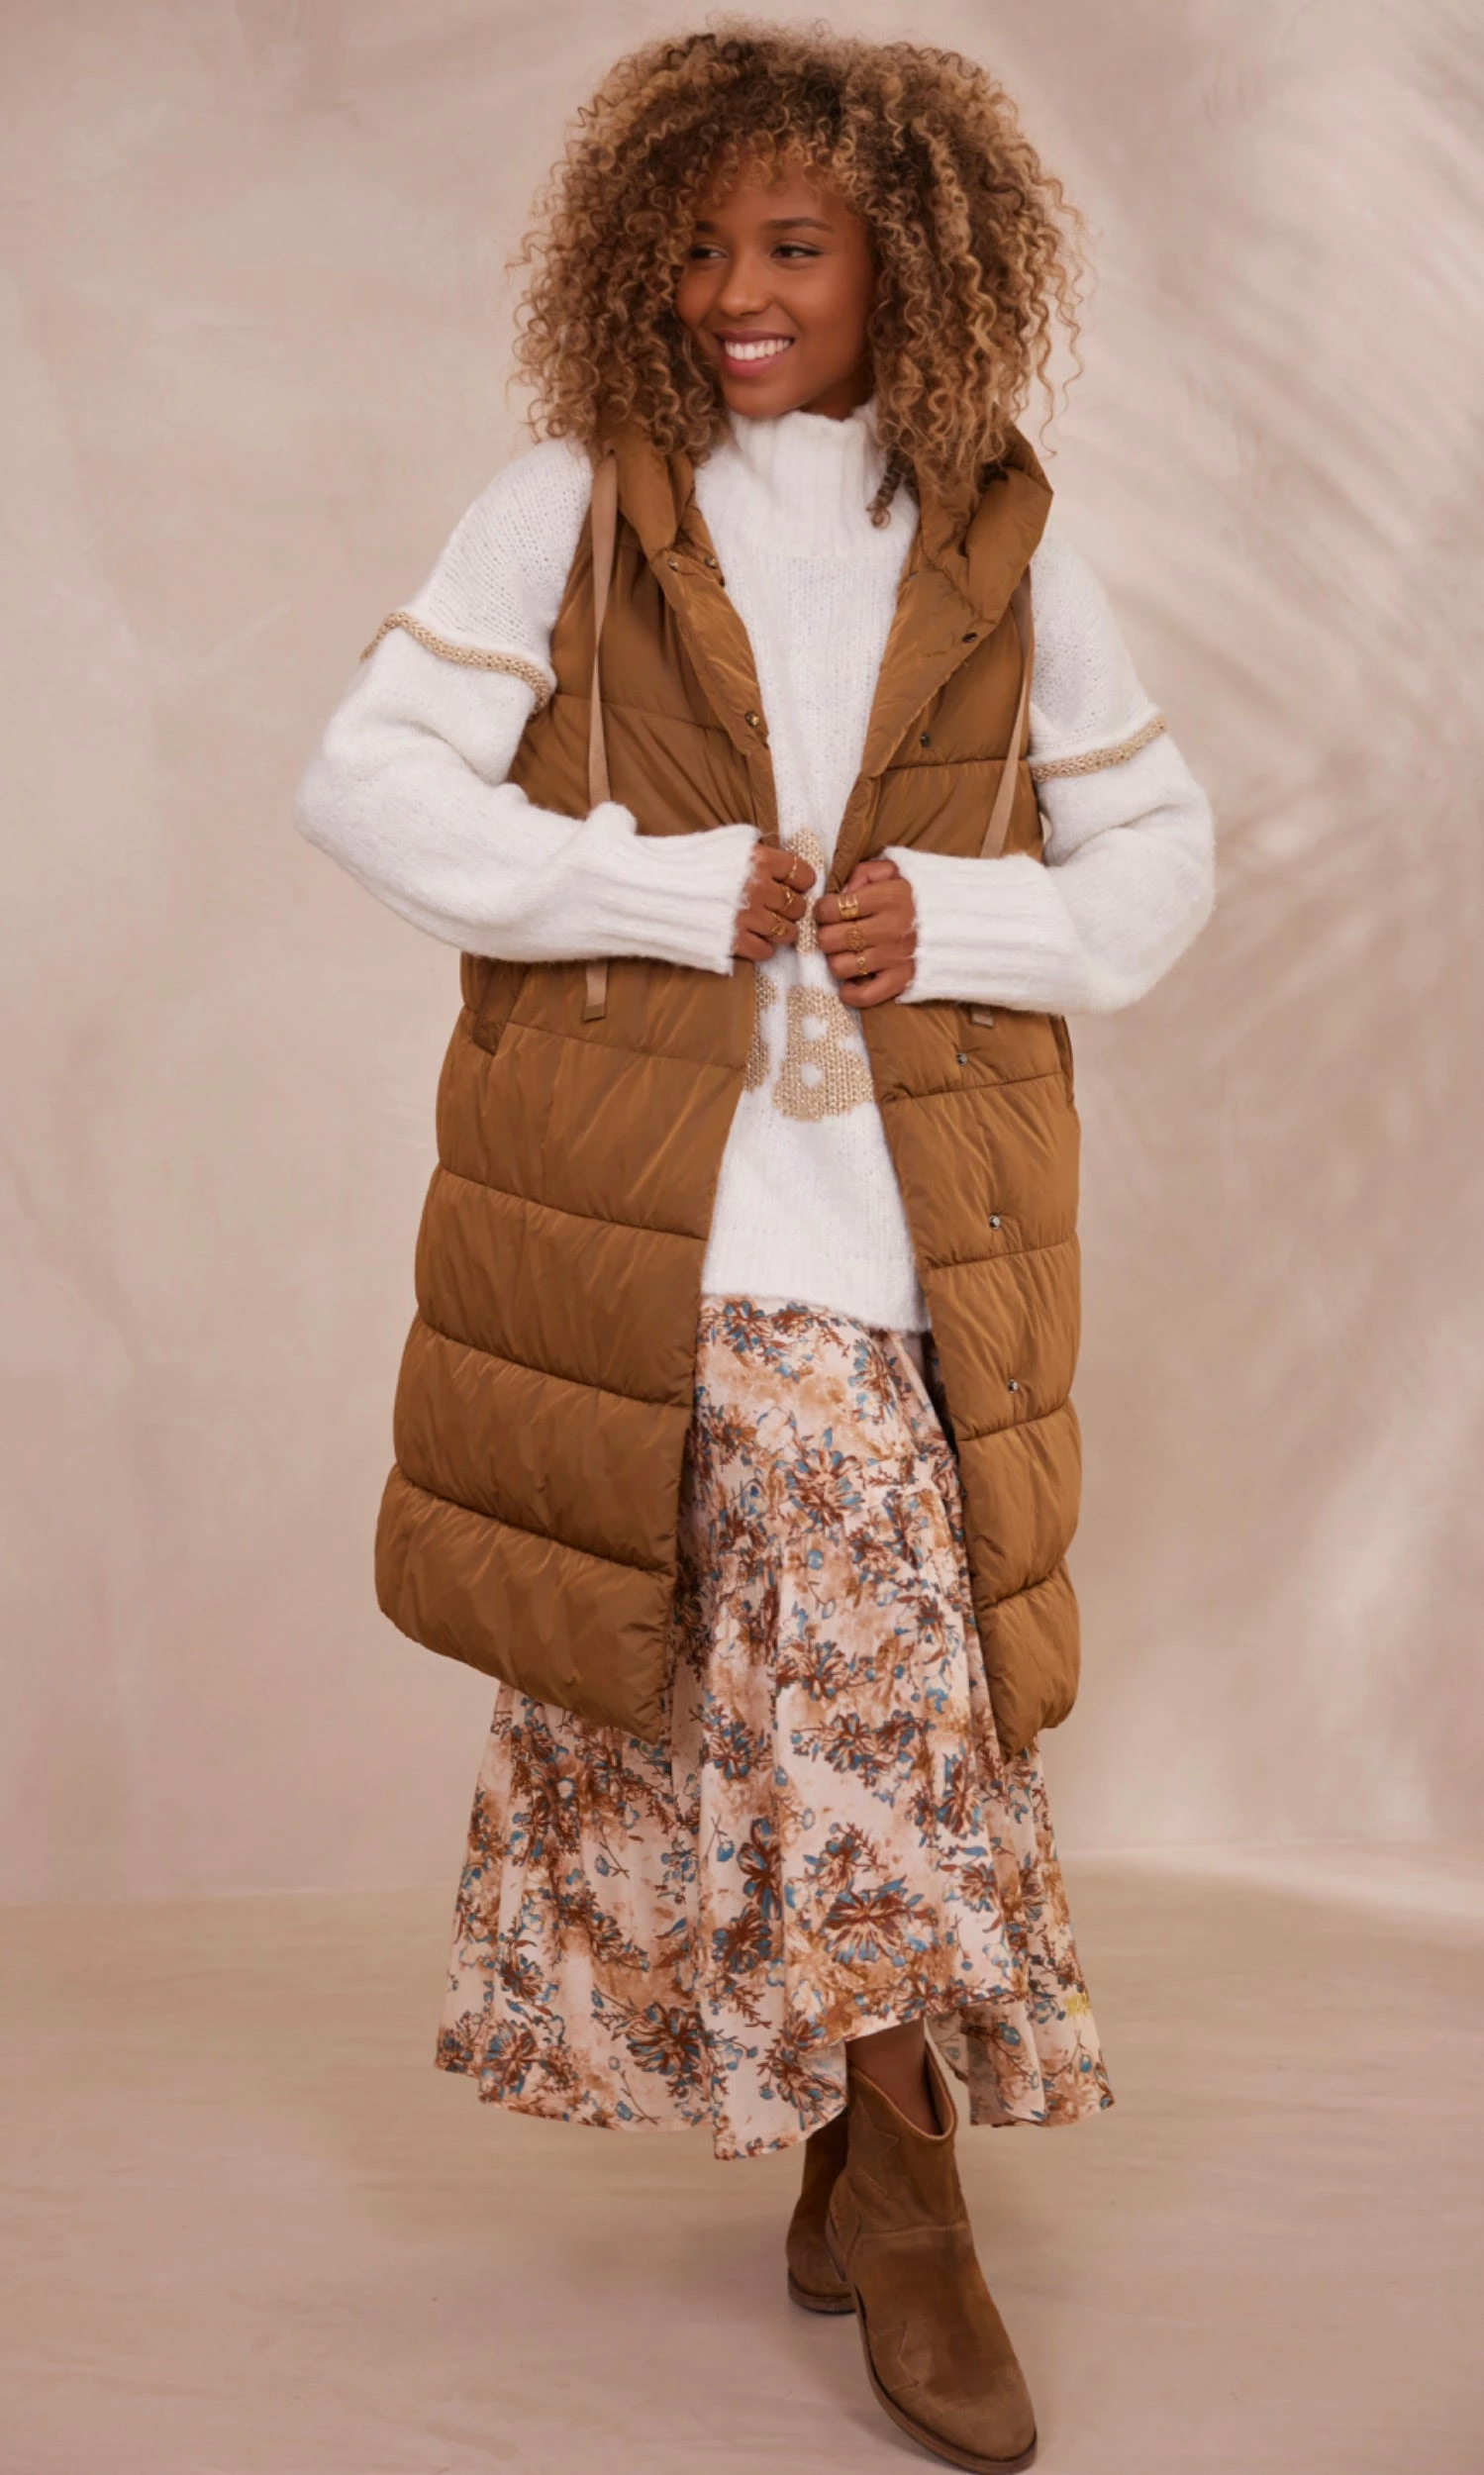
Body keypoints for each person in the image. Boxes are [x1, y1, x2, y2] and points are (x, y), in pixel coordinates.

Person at [296, 26, 1213, 2470]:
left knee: (841, 1684)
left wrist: (970, 918)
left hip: (910, 1238)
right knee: (813, 1671)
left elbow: (1158, 864)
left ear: (904, 257)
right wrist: (642, 881)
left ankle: (846, 2142)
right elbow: (359, 776)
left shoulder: (1000, 539)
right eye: (697, 245)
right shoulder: (569, 512)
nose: (735, 292)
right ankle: (904, 2191)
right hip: (648, 1228)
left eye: (791, 245)